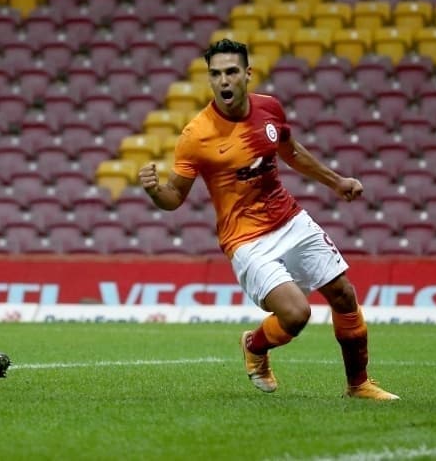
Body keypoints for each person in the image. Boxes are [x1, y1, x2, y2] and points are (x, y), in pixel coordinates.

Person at [138, 38, 398, 400]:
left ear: (247, 74)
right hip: (246, 240)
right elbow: (174, 197)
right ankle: (255, 346)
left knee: (343, 294)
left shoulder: (269, 108)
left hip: (289, 218)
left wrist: (336, 182)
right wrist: (155, 191)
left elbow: (292, 152)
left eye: (231, 72)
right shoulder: (196, 136)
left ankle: (359, 385)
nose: (224, 81)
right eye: (215, 74)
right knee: (295, 315)